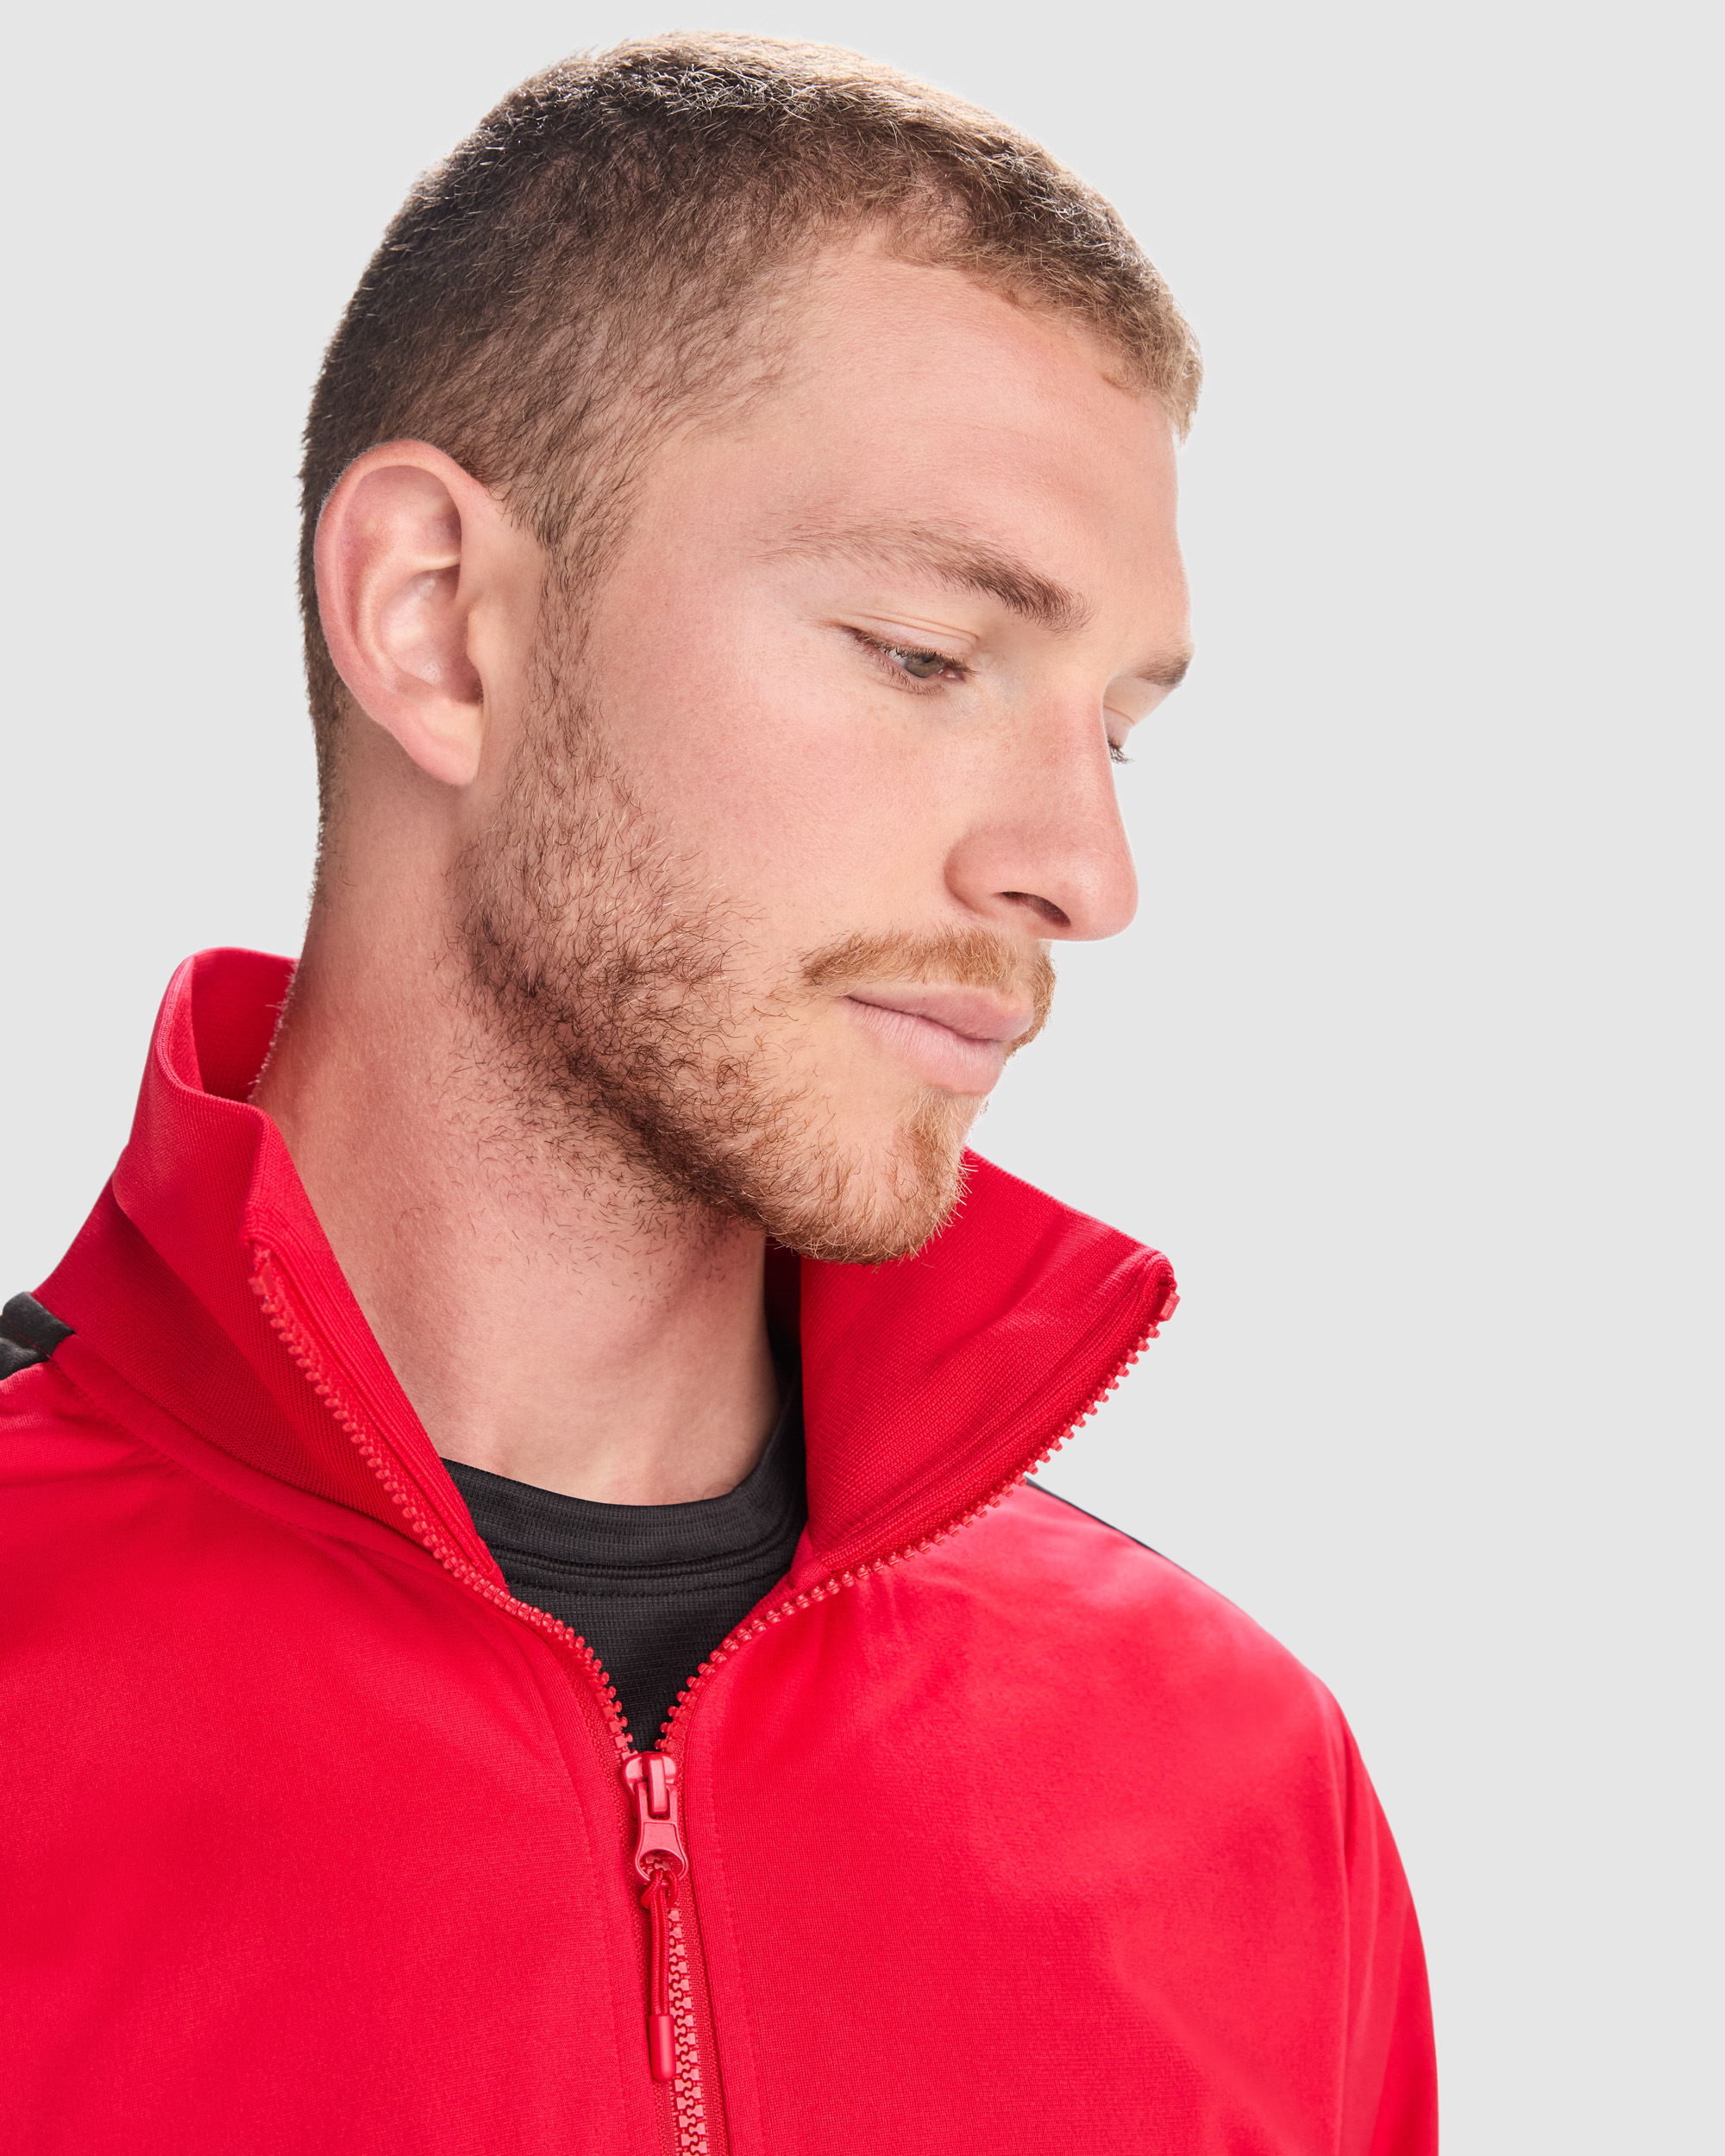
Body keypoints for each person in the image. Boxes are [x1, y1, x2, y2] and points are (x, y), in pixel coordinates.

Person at [0, 34, 1435, 2153]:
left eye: (1117, 728)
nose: (1084, 872)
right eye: (926, 653)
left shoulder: (1238, 1783)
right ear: (439, 624)